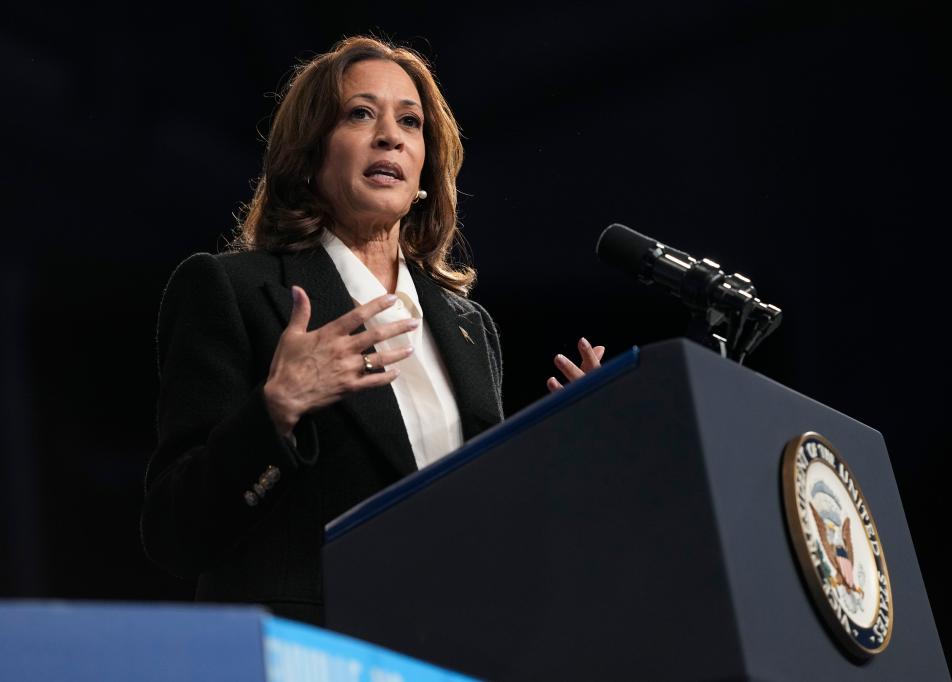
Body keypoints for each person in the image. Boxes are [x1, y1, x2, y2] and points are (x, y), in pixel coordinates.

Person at [140, 36, 604, 626]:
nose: (391, 136)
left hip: (448, 648)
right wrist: (277, 410)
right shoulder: (232, 292)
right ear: (309, 156)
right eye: (361, 114)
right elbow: (176, 533)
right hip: (312, 653)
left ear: (425, 173)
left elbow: (486, 529)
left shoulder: (469, 327)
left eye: (410, 122)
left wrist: (566, 452)